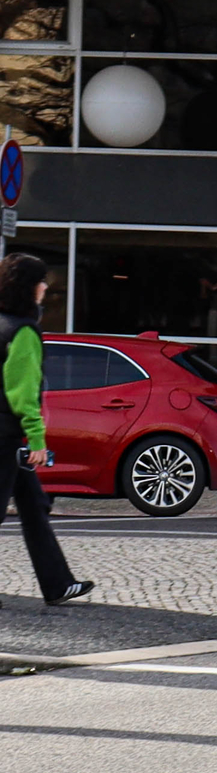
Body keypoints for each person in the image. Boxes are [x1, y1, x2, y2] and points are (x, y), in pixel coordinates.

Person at [0, 252, 94, 608]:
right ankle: (57, 584)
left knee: (34, 503)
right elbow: (23, 391)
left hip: (5, 436)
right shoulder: (22, 331)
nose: (45, 289)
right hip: (5, 436)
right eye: (42, 282)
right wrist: (36, 439)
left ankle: (57, 584)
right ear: (28, 288)